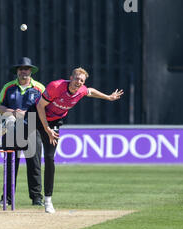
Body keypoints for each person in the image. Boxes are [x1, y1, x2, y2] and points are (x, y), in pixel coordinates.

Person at [34, 67, 124, 213]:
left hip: (54, 122)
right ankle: (7, 197)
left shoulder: (81, 90)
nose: (78, 82)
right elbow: (40, 105)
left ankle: (48, 200)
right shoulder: (56, 87)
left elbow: (91, 91)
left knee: (50, 158)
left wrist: (108, 97)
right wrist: (46, 129)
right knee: (18, 144)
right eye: (76, 78)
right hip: (38, 115)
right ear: (71, 77)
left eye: (81, 81)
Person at [0, 57, 45, 206]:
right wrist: (12, 112)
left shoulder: (39, 88)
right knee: (10, 165)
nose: (23, 71)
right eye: (21, 69)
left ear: (30, 71)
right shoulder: (8, 87)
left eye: (26, 69)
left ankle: (36, 198)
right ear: (17, 71)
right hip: (11, 130)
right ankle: (8, 198)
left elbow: (46, 110)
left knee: (34, 165)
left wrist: (27, 114)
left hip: (32, 129)